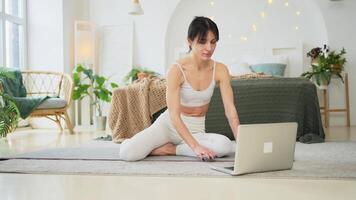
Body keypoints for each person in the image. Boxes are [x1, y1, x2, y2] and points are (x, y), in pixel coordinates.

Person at [120, 16, 240, 161]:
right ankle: (138, 142)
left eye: (213, 42)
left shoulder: (220, 70)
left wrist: (242, 144)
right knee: (128, 153)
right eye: (202, 42)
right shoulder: (176, 70)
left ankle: (170, 149)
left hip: (196, 130)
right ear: (189, 41)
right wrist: (196, 147)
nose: (209, 48)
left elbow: (230, 111)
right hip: (168, 127)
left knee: (225, 146)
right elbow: (174, 116)